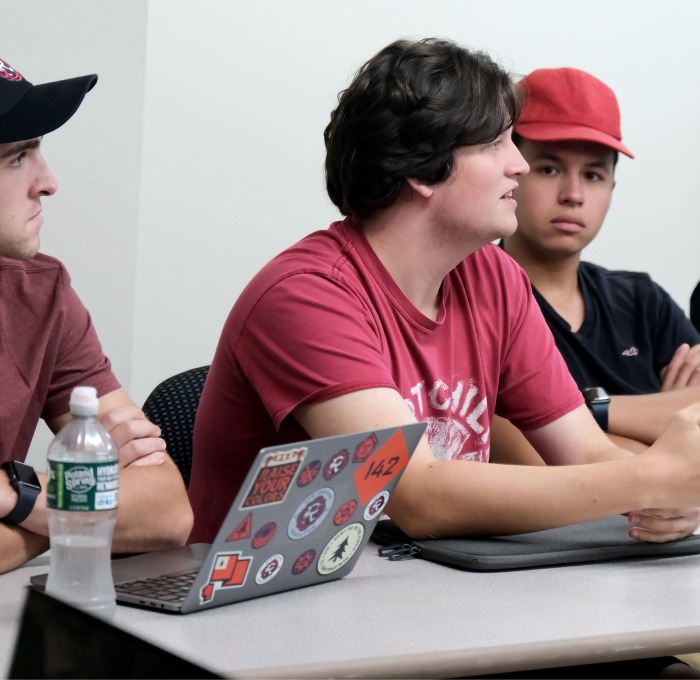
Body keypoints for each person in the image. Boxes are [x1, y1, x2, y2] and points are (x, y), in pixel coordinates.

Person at [189, 38, 700, 553]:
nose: (519, 166)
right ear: (421, 168)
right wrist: (648, 480)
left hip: (419, 595)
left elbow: (585, 452)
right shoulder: (305, 296)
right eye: (494, 145)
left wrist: (665, 496)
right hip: (264, 612)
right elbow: (416, 497)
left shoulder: (495, 277)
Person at [0, 56, 193, 574]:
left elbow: (167, 511)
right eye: (17, 157)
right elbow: (125, 517)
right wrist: (78, 515)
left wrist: (22, 497)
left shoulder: (44, 294)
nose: (49, 182)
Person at [500, 67, 700, 453]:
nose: (573, 194)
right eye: (549, 169)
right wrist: (664, 428)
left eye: (592, 175)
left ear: (612, 188)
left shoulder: (643, 300)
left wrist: (587, 410)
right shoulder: (474, 298)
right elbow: (524, 455)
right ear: (511, 173)